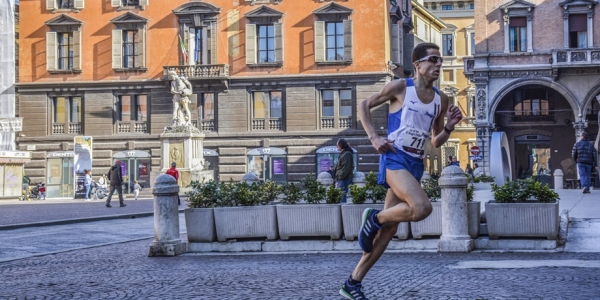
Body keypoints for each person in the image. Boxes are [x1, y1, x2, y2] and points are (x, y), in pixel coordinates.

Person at [339, 43, 463, 300]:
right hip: (394, 158)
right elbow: (364, 105)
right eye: (433, 59)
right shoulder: (400, 87)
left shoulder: (442, 99)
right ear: (417, 64)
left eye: (440, 60)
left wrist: (449, 127)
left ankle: (352, 283)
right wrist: (374, 138)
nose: (438, 64)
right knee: (422, 208)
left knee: (389, 230)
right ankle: (374, 218)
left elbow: (435, 141)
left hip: (416, 163)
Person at [334, 139, 355, 203]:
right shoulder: (344, 153)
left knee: (341, 196)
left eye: (337, 145)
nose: (336, 146)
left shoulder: (347, 154)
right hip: (342, 178)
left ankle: (342, 210)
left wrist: (340, 176)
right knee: (340, 195)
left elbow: (346, 167)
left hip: (344, 178)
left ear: (341, 145)